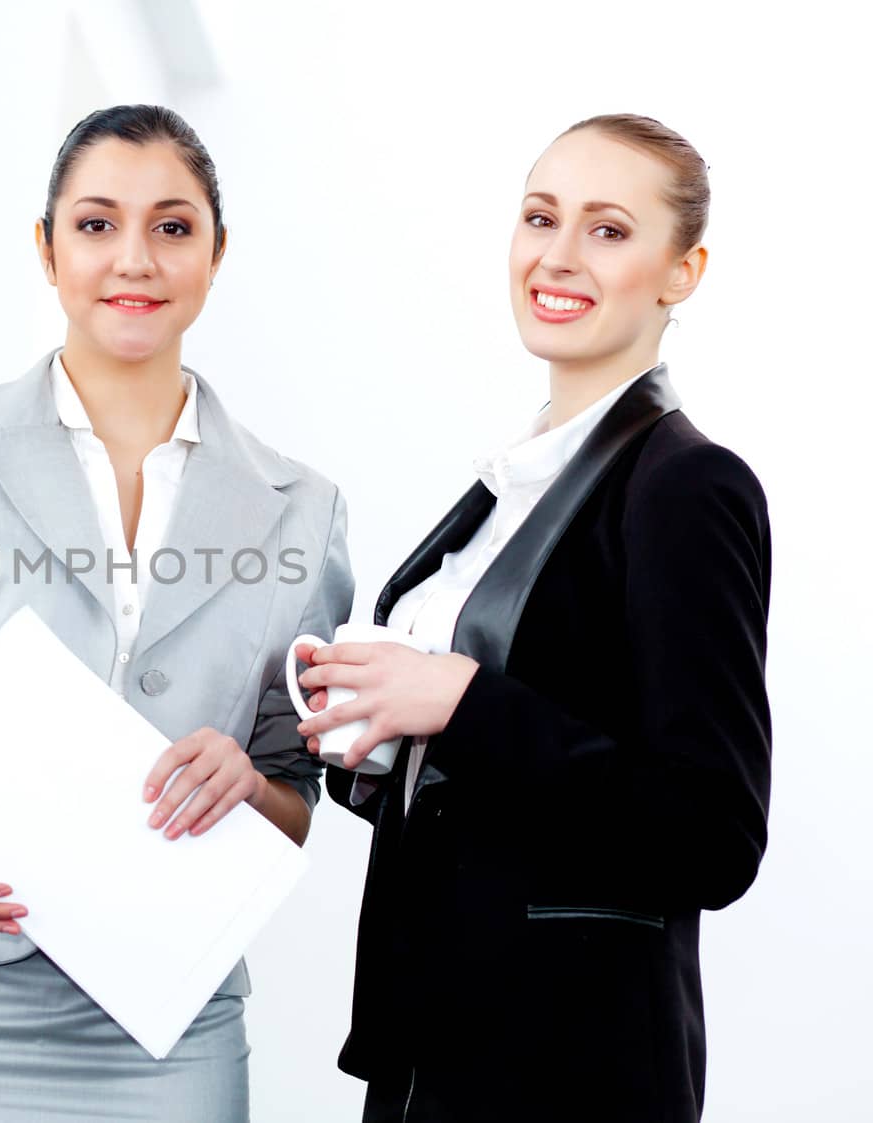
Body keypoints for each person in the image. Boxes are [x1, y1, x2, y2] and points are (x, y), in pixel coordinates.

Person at [0, 104, 354, 1121]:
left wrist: (245, 782)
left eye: (173, 227)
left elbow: (289, 793)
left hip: (160, 1034)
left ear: (217, 253)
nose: (133, 259)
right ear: (46, 248)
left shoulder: (301, 509)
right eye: (96, 224)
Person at [295, 115, 771, 1122]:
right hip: (434, 1047)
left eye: (606, 230)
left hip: (569, 1068)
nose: (556, 256)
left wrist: (460, 700)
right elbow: (498, 786)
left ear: (680, 271)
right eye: (538, 217)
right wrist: (377, 739)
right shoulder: (507, 487)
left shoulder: (685, 485)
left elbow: (712, 833)